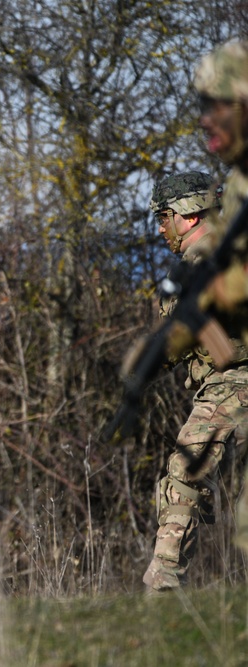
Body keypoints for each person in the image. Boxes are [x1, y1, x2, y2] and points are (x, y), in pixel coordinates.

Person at [141, 172, 248, 592]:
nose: (161, 227)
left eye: (164, 216)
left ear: (187, 215)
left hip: (234, 385)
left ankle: (163, 583)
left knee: (185, 474)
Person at [193, 40, 248, 558]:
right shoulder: (237, 184)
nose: (207, 120)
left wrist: (228, 288)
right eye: (201, 106)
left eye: (217, 105)